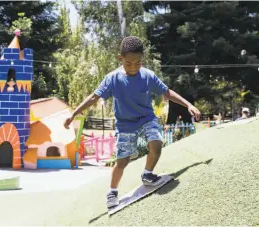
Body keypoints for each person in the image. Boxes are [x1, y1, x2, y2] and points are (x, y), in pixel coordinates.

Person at [63, 36, 201, 209]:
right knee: (123, 161)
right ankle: (112, 191)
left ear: (142, 59)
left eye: (138, 63)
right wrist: (74, 113)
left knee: (156, 143)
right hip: (125, 125)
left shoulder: (148, 76)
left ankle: (147, 174)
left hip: (146, 119)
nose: (134, 67)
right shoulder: (112, 78)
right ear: (120, 59)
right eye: (129, 63)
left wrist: (188, 105)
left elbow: (167, 93)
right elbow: (94, 97)